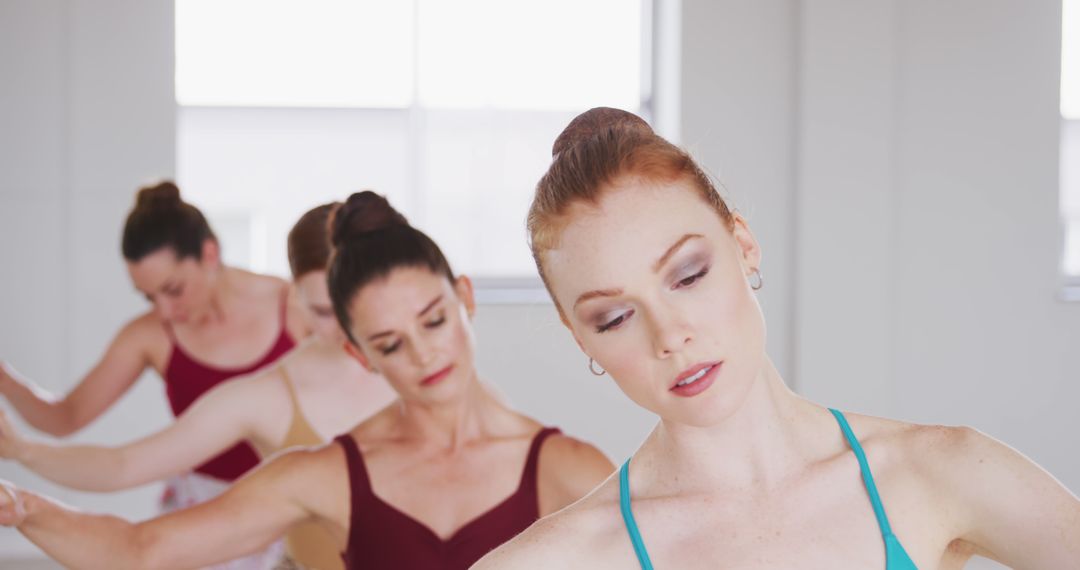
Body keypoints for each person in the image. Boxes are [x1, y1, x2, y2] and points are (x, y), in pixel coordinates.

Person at [474, 107, 1080, 569]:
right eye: (613, 318)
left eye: (687, 275)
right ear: (581, 339)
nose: (670, 336)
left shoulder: (937, 472)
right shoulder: (565, 558)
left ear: (742, 245)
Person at [0, 191, 614, 570]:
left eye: (433, 320)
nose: (426, 355)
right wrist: (22, 506)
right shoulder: (325, 474)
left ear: (464, 299)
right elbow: (141, 550)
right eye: (390, 343)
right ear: (360, 353)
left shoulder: (569, 469)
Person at [0, 202, 396, 570]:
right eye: (148, 296)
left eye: (173, 289)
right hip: (221, 512)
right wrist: (24, 457)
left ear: (209, 255)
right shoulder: (246, 387)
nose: (164, 310)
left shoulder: (305, 309)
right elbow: (119, 467)